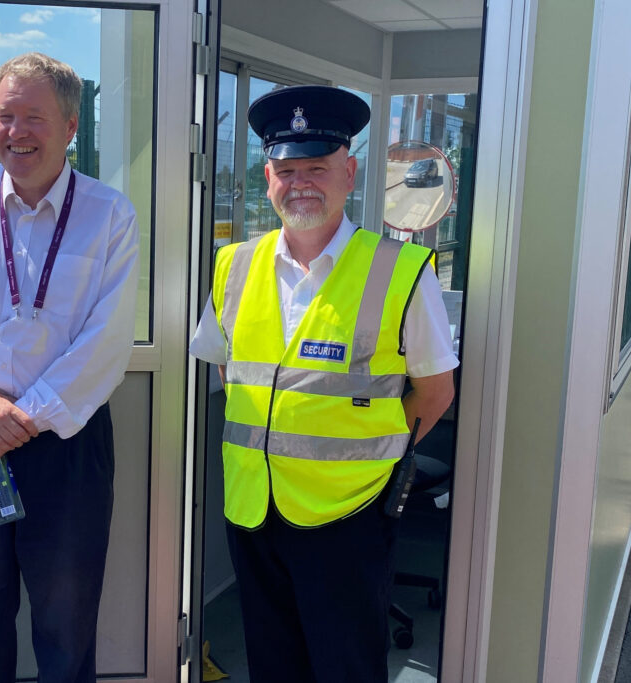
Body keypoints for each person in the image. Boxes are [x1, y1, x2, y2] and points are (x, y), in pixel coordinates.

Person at [190, 85, 458, 682]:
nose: (301, 182)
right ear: (268, 178)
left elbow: (436, 392)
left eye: (318, 167)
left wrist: (376, 456)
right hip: (253, 508)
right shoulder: (234, 265)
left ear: (350, 172)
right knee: (273, 662)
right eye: (287, 169)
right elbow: (227, 368)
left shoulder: (401, 269)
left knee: (345, 667)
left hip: (349, 514)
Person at [0, 52, 140, 683]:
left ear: (70, 126)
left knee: (66, 627)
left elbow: (109, 340)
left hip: (66, 444)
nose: (17, 132)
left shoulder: (109, 213)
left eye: (33, 116)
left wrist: (22, 417)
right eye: (5, 116)